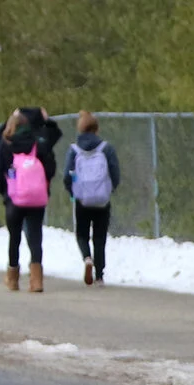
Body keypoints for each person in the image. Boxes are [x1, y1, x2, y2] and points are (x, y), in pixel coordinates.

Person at [0, 107, 62, 292]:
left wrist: (6, 192)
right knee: (35, 237)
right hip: (36, 197)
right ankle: (37, 280)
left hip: (14, 197)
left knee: (14, 237)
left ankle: (13, 278)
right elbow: (50, 166)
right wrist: (42, 185)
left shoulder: (5, 144)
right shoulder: (38, 144)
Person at [65, 112, 121, 286]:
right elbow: (115, 173)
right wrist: (110, 189)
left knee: (82, 234)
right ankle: (99, 275)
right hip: (102, 199)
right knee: (99, 237)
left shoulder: (74, 150)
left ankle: (87, 258)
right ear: (97, 128)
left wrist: (73, 192)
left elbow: (67, 175)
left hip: (82, 199)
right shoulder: (106, 148)